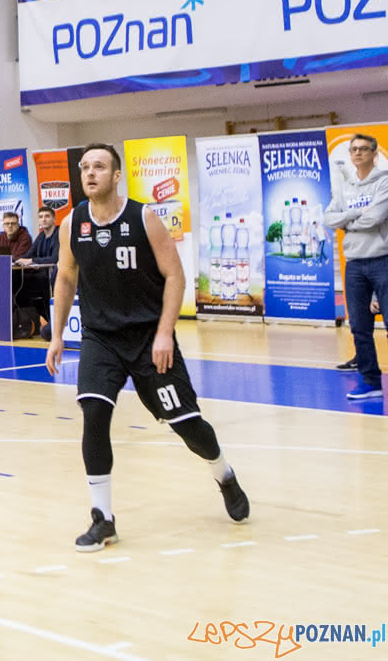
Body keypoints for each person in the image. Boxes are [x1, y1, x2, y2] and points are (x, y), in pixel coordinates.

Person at [46, 143, 250, 552]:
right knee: (94, 414)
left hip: (147, 337)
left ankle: (223, 473)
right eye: (85, 167)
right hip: (101, 338)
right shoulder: (72, 223)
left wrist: (164, 333)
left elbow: (175, 276)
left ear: (116, 175)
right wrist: (56, 335)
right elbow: (66, 276)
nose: (90, 173)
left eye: (99, 166)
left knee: (187, 425)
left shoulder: (144, 218)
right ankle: (103, 519)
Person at [323, 133, 388, 400]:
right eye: (353, 149)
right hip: (355, 265)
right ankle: (371, 382)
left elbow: (375, 218)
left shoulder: (384, 182)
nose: (358, 153)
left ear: (374, 154)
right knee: (359, 327)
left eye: (363, 149)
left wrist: (347, 223)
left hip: (382, 260)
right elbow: (329, 218)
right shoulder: (345, 188)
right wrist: (353, 214)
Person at [15, 207, 60, 339]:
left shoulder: (59, 234)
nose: (43, 219)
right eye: (41, 217)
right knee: (18, 282)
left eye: (47, 216)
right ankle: (27, 323)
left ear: (54, 219)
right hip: (41, 275)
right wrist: (16, 260)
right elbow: (29, 254)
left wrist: (32, 261)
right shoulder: (41, 236)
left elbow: (55, 258)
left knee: (38, 283)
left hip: (53, 275)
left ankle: (53, 323)